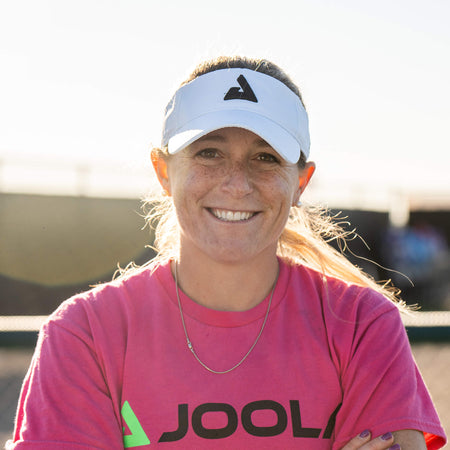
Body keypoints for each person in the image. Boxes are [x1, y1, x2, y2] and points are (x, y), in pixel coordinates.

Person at [6, 56, 446, 449]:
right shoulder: (85, 333)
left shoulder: (362, 325)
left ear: (301, 183)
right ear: (163, 171)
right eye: (210, 152)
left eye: (266, 158)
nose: (237, 183)